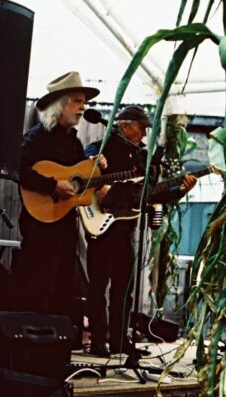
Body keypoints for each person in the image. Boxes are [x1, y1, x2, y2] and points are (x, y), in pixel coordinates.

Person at [83, 105, 196, 356]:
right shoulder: (102, 146)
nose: (145, 134)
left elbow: (152, 193)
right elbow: (82, 168)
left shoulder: (142, 158)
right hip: (101, 227)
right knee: (98, 286)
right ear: (125, 125)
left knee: (124, 288)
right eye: (141, 127)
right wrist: (93, 162)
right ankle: (99, 341)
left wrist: (180, 190)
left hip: (126, 227)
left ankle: (120, 341)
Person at [14, 71, 104, 321]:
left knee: (62, 287)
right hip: (39, 224)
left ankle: (55, 348)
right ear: (59, 105)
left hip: (64, 226)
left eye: (84, 102)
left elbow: (79, 181)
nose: (82, 108)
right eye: (77, 101)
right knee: (38, 285)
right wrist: (52, 185)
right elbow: (17, 168)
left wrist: (94, 168)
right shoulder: (36, 139)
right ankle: (32, 343)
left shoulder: (74, 143)